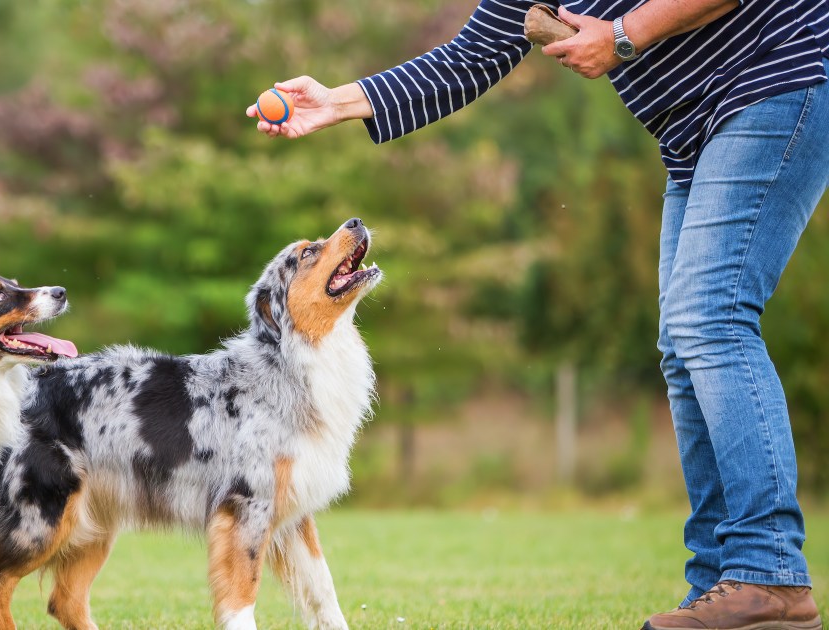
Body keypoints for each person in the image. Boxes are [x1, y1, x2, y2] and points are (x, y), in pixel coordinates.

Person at [246, 2, 829, 629]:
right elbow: (468, 59)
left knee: (708, 320)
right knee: (683, 344)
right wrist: (337, 102)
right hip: (694, 130)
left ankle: (767, 573)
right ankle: (721, 582)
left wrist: (626, 36)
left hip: (774, 78)